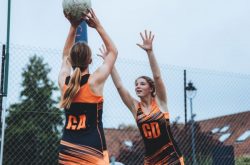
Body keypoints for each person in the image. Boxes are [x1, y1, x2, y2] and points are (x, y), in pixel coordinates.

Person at [98, 30, 184, 165]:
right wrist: (110, 64)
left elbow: (157, 76)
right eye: (136, 84)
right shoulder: (135, 108)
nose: (137, 86)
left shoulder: (160, 103)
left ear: (151, 88)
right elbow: (120, 86)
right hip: (151, 161)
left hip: (172, 158)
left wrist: (150, 52)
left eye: (142, 84)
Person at [58, 8, 118, 165]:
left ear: (71, 60)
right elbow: (113, 52)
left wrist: (73, 26)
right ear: (90, 61)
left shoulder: (64, 82)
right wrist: (98, 25)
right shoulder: (94, 81)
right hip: (92, 151)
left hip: (67, 152)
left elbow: (64, 56)